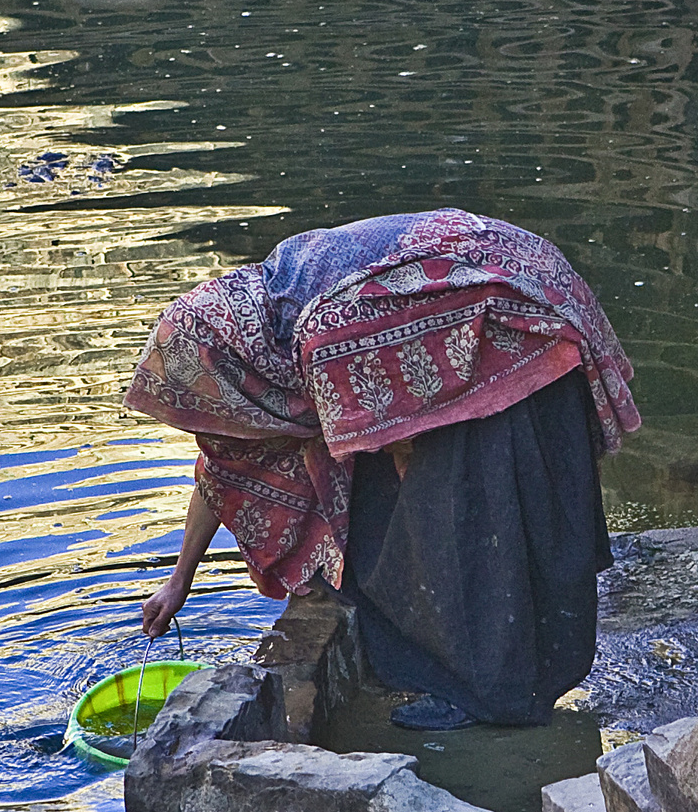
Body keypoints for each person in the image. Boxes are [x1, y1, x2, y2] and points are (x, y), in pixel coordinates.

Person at [121, 208, 640, 732]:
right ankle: (508, 675)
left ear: (229, 368)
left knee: (461, 524)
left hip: (511, 330)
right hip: (527, 285)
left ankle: (488, 695)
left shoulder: (324, 338)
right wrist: (177, 583)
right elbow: (221, 467)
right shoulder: (273, 295)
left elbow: (407, 452)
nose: (215, 412)